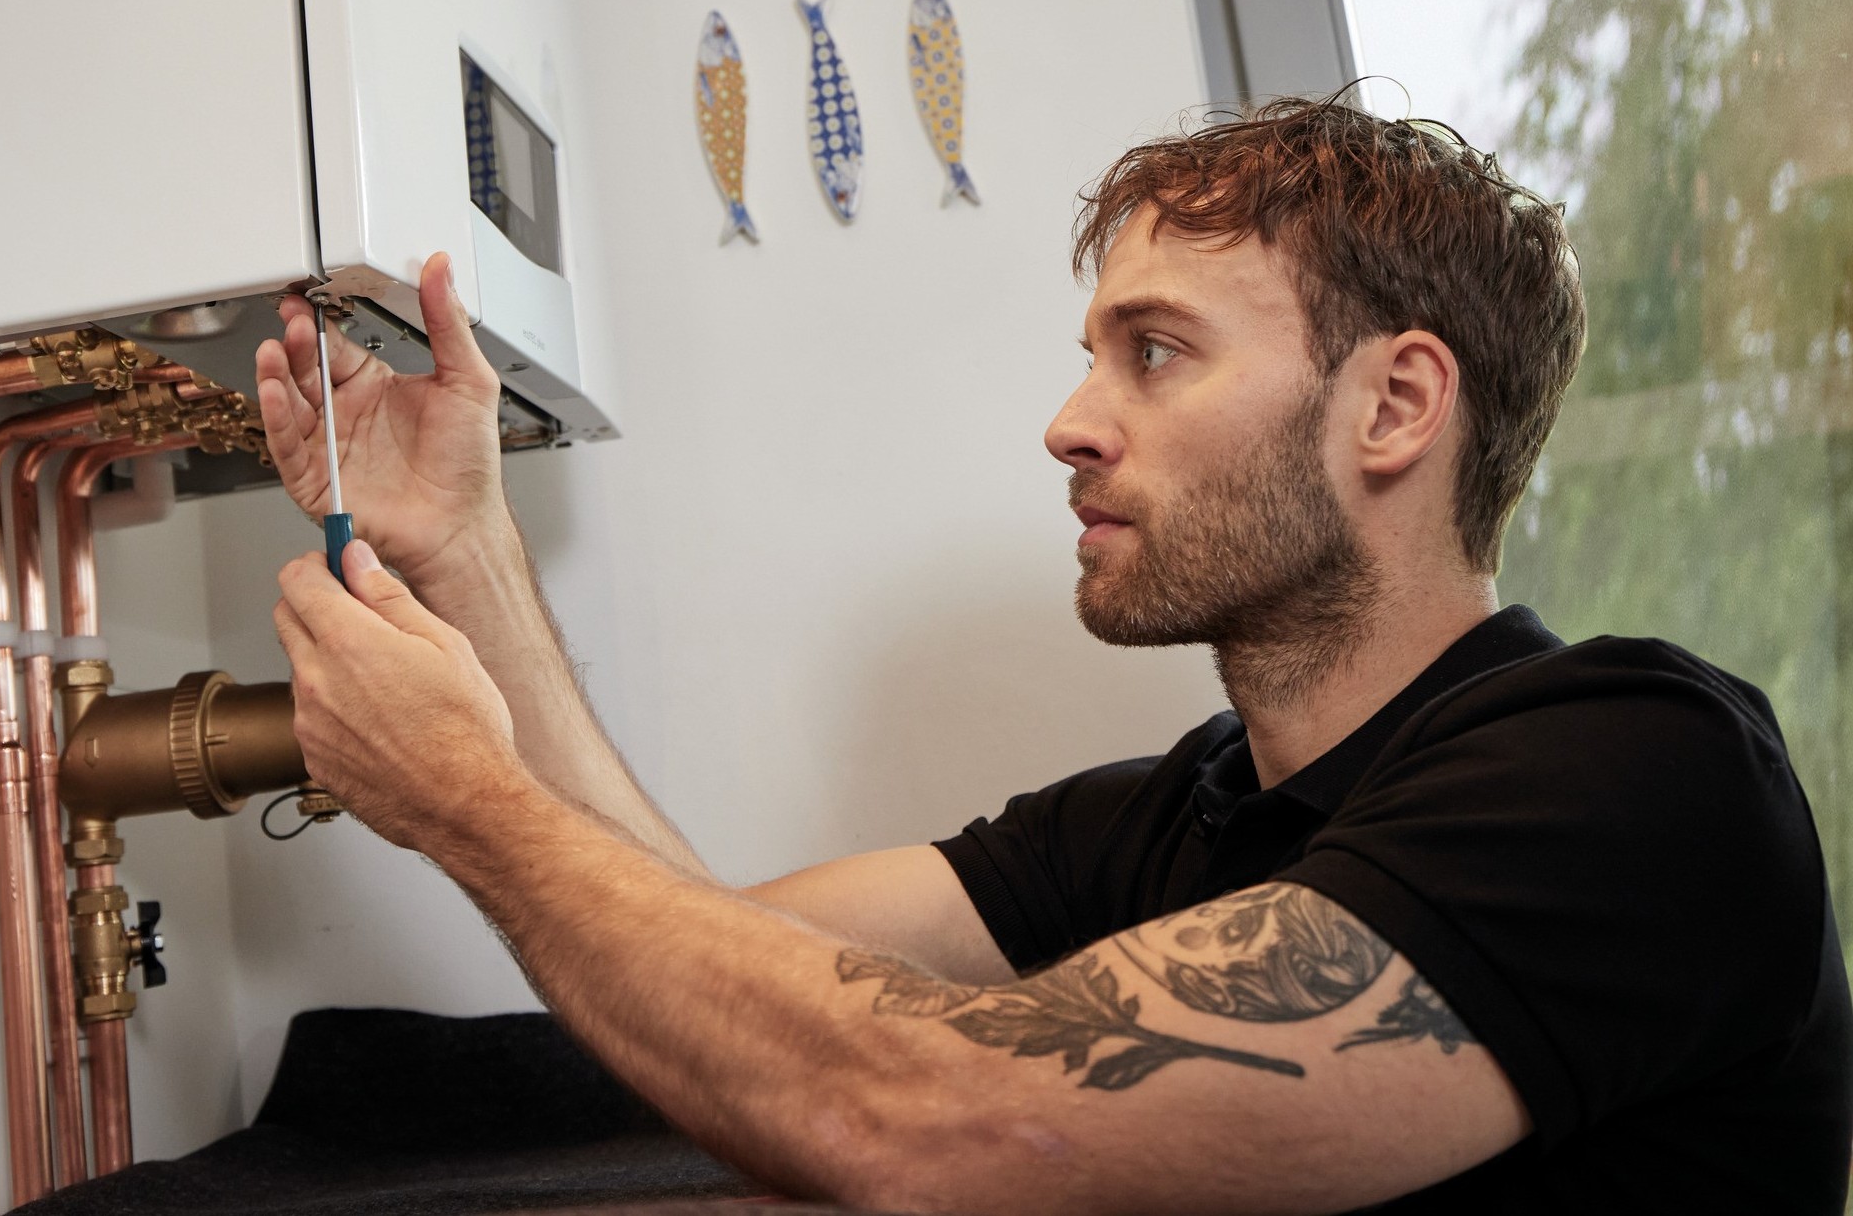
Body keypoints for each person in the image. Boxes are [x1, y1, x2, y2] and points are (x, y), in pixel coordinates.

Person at [249, 96, 1852, 1213]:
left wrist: (466, 795)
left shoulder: (1639, 777)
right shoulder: (1182, 817)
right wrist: (469, 547)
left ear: (1395, 405)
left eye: (1154, 351)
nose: (1071, 423)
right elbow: (718, 988)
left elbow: (925, 1114)